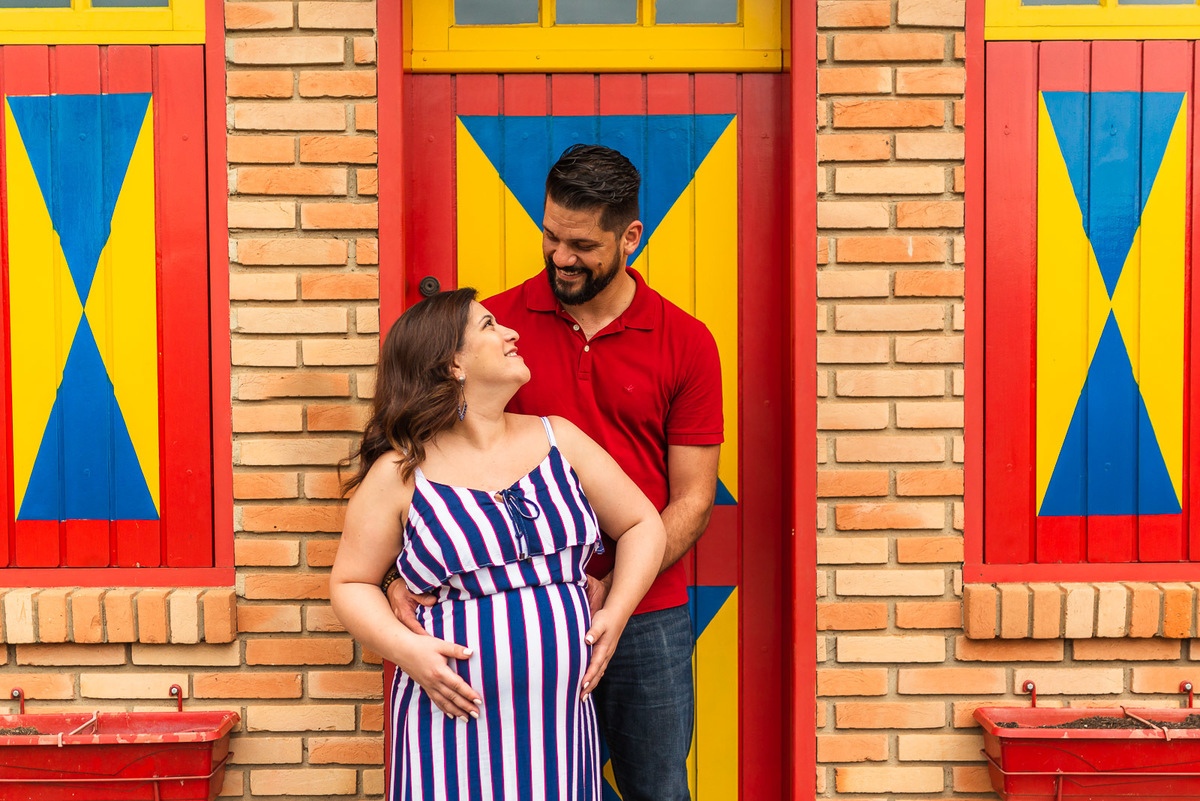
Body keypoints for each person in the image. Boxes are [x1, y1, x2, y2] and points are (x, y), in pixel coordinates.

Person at [386, 144, 723, 800]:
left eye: (582, 245)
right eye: (550, 236)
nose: (560, 256)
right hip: (518, 621)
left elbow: (693, 498)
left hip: (646, 613)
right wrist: (399, 572)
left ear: (630, 236)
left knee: (657, 788)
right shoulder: (493, 334)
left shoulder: (686, 341)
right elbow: (423, 464)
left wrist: (614, 589)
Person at [330, 288, 666, 800]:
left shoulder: (559, 440)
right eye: (488, 326)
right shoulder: (400, 473)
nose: (511, 333)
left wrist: (615, 616)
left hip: (558, 729)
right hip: (450, 726)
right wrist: (407, 651)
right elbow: (351, 583)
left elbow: (643, 524)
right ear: (452, 364)